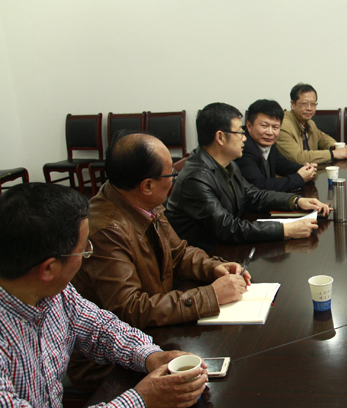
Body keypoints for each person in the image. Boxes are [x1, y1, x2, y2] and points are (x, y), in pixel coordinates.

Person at [69, 131, 249, 391]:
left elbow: (178, 252)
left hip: (152, 334)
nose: (174, 180)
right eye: (170, 175)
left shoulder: (142, 202)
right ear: (147, 185)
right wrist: (210, 296)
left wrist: (213, 267)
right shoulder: (106, 230)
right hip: (111, 364)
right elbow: (130, 308)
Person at [0, 183, 208, 407]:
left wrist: (150, 356)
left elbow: (100, 329)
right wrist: (143, 399)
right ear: (49, 268)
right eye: (83, 249)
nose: (87, 255)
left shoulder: (55, 293)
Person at [166, 102, 330, 252]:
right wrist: (285, 229)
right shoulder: (197, 177)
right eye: (240, 132)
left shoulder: (228, 163)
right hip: (203, 257)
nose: (244, 138)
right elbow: (227, 228)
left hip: (223, 250)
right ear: (220, 137)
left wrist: (296, 201)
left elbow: (254, 195)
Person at [235, 99, 316, 192]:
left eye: (275, 127)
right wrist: (299, 178)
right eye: (264, 126)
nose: (270, 132)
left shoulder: (268, 142)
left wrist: (305, 168)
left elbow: (282, 165)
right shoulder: (243, 147)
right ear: (249, 126)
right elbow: (259, 186)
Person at [277, 83, 347, 164]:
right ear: (293, 104)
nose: (309, 108)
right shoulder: (282, 126)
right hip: (289, 171)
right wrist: (333, 154)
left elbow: (323, 138)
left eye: (313, 104)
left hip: (309, 169)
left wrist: (333, 145)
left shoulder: (310, 123)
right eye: (304, 104)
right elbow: (298, 158)